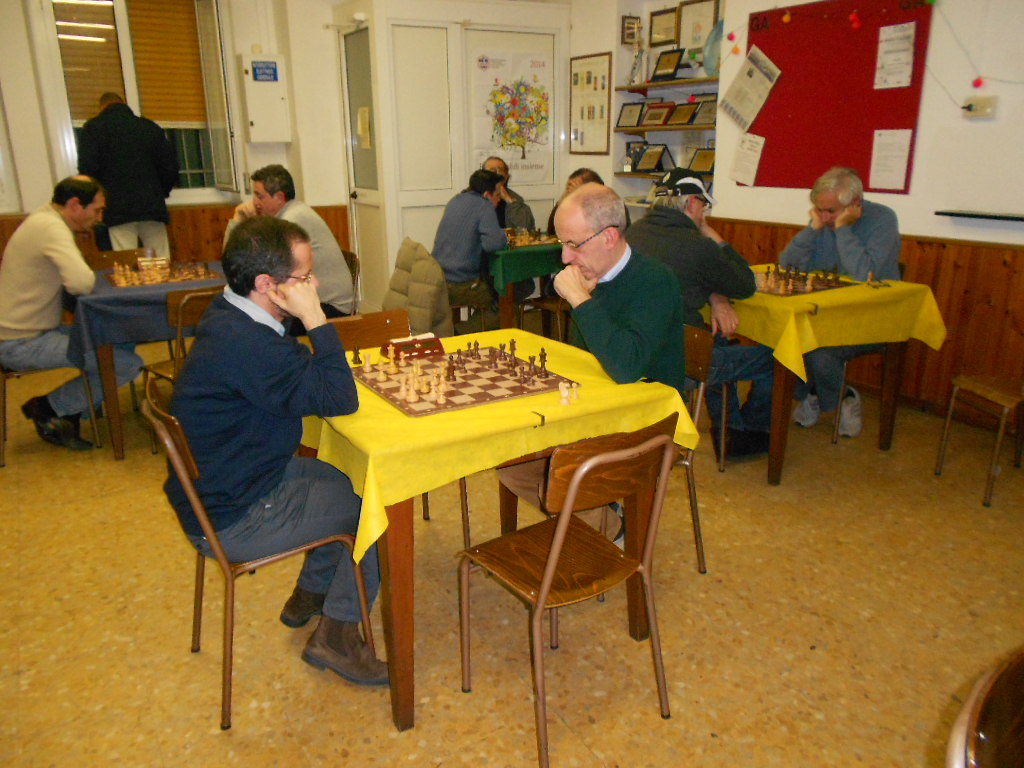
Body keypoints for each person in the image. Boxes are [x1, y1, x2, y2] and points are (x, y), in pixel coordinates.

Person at [164, 216, 386, 685]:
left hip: (228, 484)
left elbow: (299, 377)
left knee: (341, 479)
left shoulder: (229, 314)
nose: (315, 283)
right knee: (373, 515)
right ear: (267, 284)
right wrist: (316, 318)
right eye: (305, 276)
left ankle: (310, 595)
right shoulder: (248, 344)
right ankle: (338, 639)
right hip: (235, 515)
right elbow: (339, 397)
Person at [501, 182, 685, 541]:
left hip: (646, 423)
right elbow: (582, 360)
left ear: (609, 237)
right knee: (512, 463)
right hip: (592, 409)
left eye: (573, 244)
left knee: (548, 471)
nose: (565, 258)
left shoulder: (655, 282)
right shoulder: (592, 274)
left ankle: (611, 526)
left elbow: (626, 367)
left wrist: (581, 301)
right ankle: (602, 515)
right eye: (562, 244)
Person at [626, 168, 774, 459]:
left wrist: (714, 295)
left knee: (719, 339)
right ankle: (748, 434)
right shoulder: (697, 245)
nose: (703, 213)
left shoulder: (633, 234)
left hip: (639, 352)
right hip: (684, 358)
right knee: (777, 358)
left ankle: (731, 432)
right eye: (703, 206)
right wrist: (712, 235)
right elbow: (745, 284)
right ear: (692, 203)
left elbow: (680, 279)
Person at [0, 176, 142, 451]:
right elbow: (81, 282)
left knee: (117, 338)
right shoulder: (52, 228)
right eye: (97, 209)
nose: (100, 217)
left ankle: (77, 409)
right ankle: (50, 408)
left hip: (28, 332)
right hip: (18, 343)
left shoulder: (44, 218)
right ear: (75, 204)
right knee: (126, 364)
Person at [779, 166, 901, 437]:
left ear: (854, 203)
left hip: (872, 318)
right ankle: (817, 392)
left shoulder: (882, 220)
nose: (824, 216)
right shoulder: (822, 221)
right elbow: (786, 264)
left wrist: (844, 230)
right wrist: (813, 229)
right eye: (818, 210)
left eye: (830, 211)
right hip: (826, 315)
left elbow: (863, 274)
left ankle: (841, 398)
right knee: (786, 336)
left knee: (819, 353)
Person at [224, 164, 355, 329]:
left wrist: (237, 219)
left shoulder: (291, 220)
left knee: (256, 318)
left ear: (279, 197)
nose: (254, 202)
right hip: (319, 299)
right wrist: (238, 218)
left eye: (259, 196)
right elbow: (236, 261)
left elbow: (236, 260)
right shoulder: (291, 213)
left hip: (331, 307)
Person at [77, 93, 179, 259]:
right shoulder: (149, 127)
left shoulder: (94, 128)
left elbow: (88, 170)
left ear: (101, 107)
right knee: (160, 261)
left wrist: (97, 202)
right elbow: (170, 168)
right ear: (124, 104)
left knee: (126, 261)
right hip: (151, 204)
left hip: (116, 207)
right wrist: (160, 191)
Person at [432, 169, 509, 333]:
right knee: (504, 306)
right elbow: (493, 244)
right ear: (487, 194)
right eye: (497, 195)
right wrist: (504, 236)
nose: (499, 199)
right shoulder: (484, 205)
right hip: (461, 283)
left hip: (438, 277)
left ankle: (458, 330)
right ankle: (458, 332)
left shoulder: (456, 200)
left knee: (491, 295)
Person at [482, 156, 536, 231]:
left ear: (506, 177)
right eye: (491, 170)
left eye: (499, 170)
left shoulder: (516, 201)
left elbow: (526, 229)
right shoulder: (472, 198)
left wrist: (510, 201)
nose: (495, 174)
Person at [546, 168, 604, 235]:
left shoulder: (604, 207)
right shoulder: (567, 205)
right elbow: (552, 231)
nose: (570, 191)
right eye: (568, 187)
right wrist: (563, 200)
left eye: (574, 188)